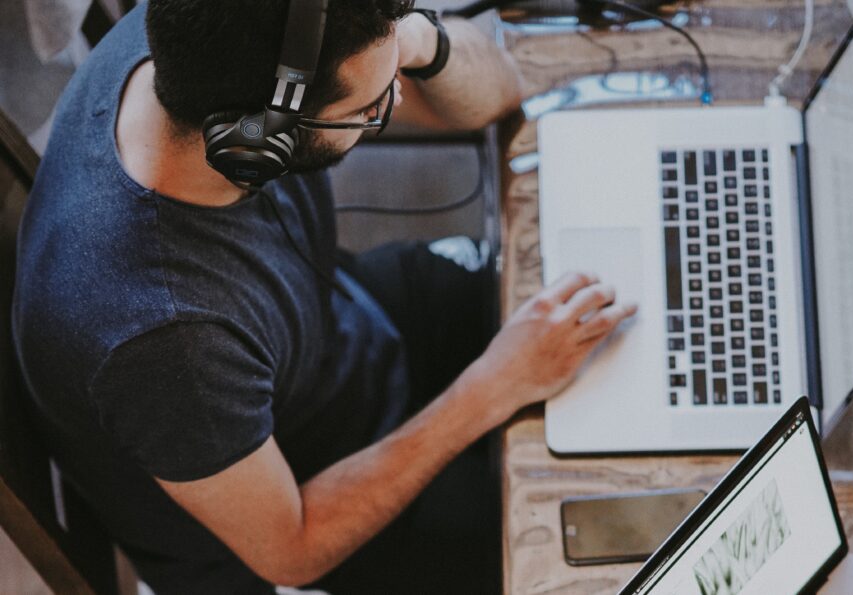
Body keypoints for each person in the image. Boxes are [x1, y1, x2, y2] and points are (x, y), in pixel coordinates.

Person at [10, 1, 637, 593]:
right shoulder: (164, 339)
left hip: (336, 333)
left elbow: (498, 91)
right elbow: (293, 545)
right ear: (257, 142)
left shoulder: (206, 33)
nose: (393, 99)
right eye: (372, 107)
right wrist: (495, 385)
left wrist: (404, 39)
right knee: (605, 536)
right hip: (309, 492)